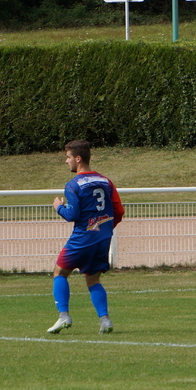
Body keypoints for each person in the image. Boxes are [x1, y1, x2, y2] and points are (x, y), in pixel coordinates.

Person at [47, 140, 125, 334]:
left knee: (60, 272)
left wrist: (59, 207)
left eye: (68, 157)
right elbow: (118, 211)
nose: (66, 161)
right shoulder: (106, 181)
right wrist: (104, 229)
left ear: (78, 158)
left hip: (83, 237)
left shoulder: (73, 185)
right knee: (93, 279)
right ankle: (105, 321)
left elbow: (72, 215)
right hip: (103, 238)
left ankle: (64, 316)